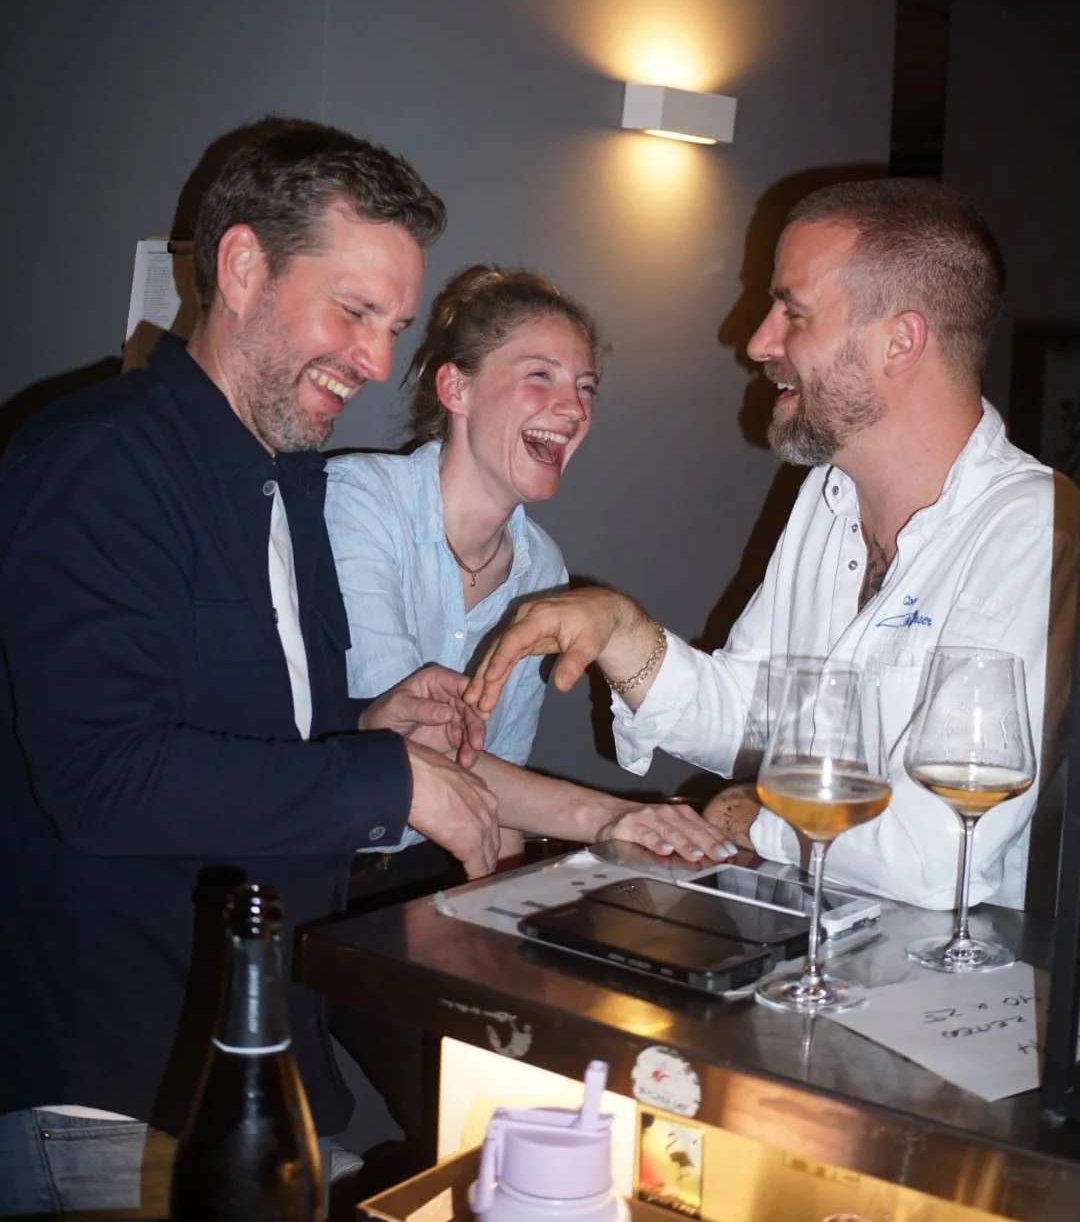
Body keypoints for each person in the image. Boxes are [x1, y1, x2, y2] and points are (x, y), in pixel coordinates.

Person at [0, 119, 502, 1217]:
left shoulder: (289, 481)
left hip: (256, 1081)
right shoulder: (99, 459)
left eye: (394, 327)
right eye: (353, 311)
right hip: (113, 1101)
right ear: (241, 268)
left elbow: (233, 740)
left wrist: (367, 727)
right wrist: (384, 779)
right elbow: (103, 775)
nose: (377, 362)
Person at [468, 179, 1080, 912]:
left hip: (948, 968)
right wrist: (623, 634)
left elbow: (941, 856)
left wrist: (755, 816)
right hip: (810, 934)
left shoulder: (1034, 528)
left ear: (900, 341)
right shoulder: (825, 494)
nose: (758, 343)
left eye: (793, 312)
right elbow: (758, 721)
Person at [325, 265, 735, 888]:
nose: (573, 409)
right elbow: (408, 745)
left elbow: (494, 782)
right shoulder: (359, 499)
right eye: (539, 375)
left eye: (586, 387)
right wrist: (610, 816)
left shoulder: (543, 568)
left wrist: (501, 912)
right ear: (456, 388)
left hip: (430, 870)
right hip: (313, 871)